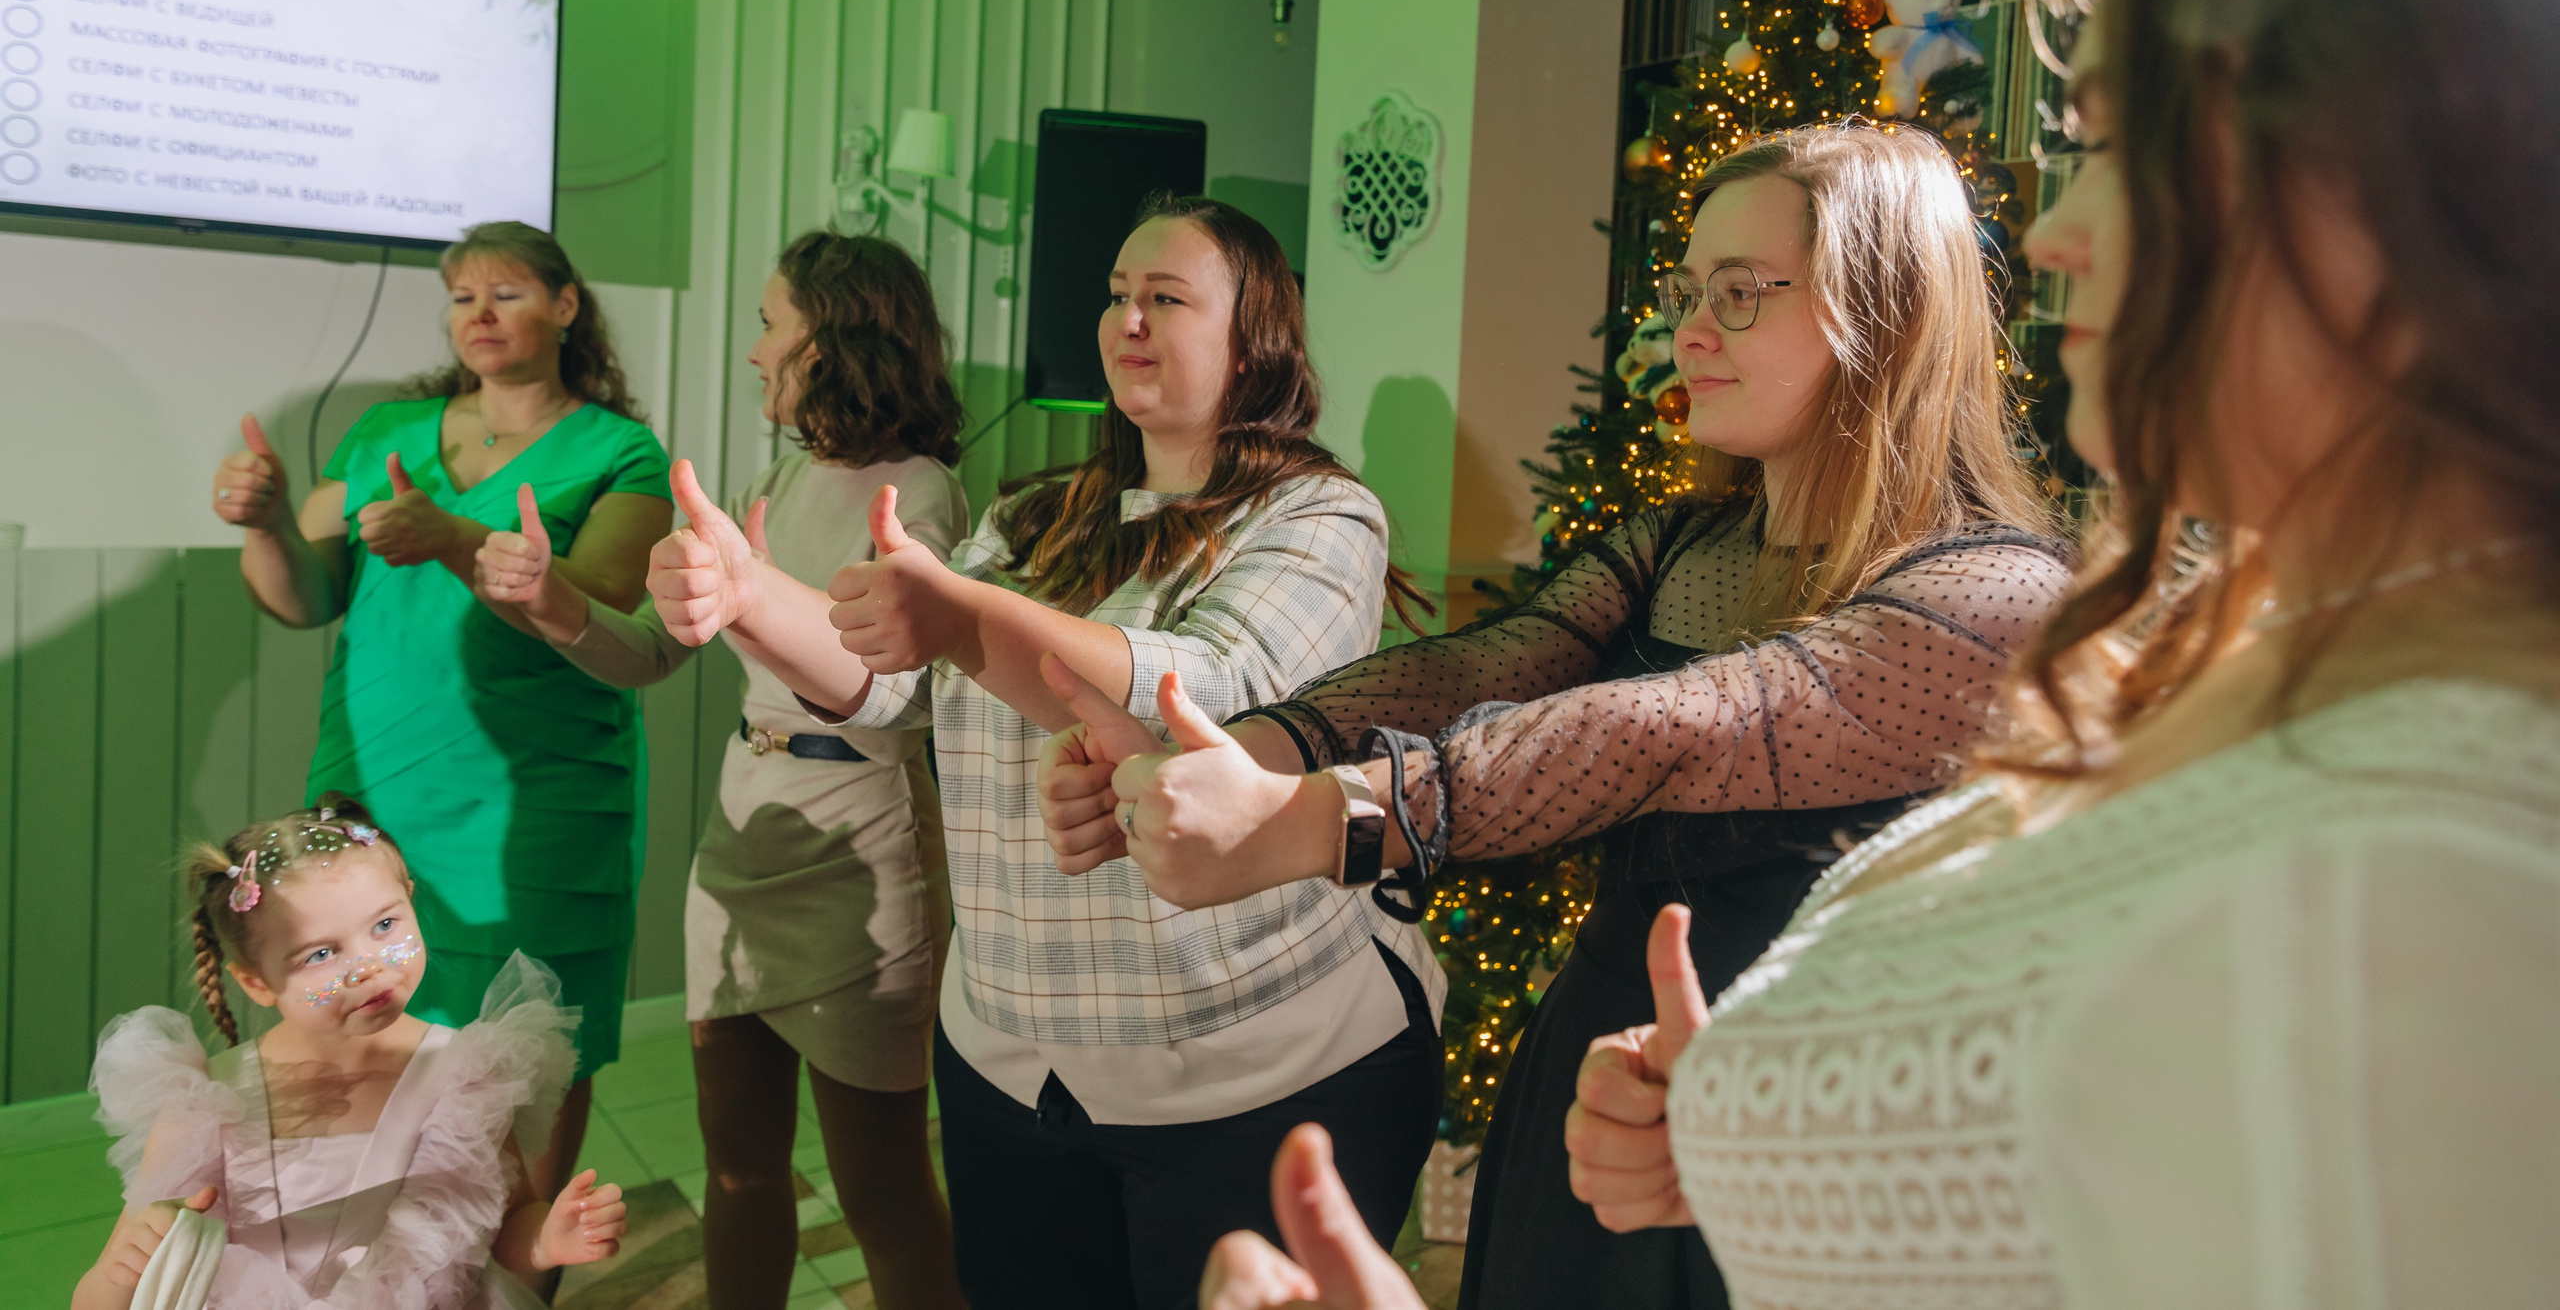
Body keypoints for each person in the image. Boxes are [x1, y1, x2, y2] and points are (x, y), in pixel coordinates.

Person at [1566, 0, 2560, 1306]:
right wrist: (1747, 1143)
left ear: (2414, 188)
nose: (2055, 228)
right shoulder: (2278, 634)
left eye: (2117, 142)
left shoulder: (2438, 883)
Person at [1040, 122, 2075, 1310]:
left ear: (1883, 311)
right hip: (1596, 1080)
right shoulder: (1683, 542)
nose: (1690, 330)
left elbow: (1676, 726)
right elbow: (1501, 661)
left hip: (1806, 1119)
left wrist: (1312, 822)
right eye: (1688, 290)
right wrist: (1231, 754)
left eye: (1740, 295)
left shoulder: (1994, 589)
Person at [647, 195, 1440, 1310]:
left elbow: (1200, 692)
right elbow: (889, 690)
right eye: (1118, 296)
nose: (1127, 319)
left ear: (1254, 337)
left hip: (1249, 1078)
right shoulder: (1030, 517)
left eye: (1166, 298)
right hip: (1013, 1070)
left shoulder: (1317, 513)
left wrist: (968, 621)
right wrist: (747, 595)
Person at [474, 232, 971, 1310]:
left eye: (769, 324)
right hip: (739, 846)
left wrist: (750, 595)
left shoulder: (920, 493)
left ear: (835, 338)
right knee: (738, 1168)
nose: (755, 355)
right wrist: (548, 598)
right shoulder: (774, 479)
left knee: (879, 1189)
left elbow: (899, 692)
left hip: (857, 860)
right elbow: (650, 649)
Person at [210, 221, 673, 1207]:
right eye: (461, 297)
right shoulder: (387, 434)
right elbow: (299, 595)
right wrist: (262, 526)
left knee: (527, 1096)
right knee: (364, 1092)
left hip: (534, 816)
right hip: (372, 799)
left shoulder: (620, 452)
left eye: (505, 292)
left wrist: (456, 535)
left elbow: (593, 599)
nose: (480, 314)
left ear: (564, 306)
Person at [72, 799, 628, 1310]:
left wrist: (547, 1239)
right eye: (321, 953)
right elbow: (102, 1297)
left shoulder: (467, 1076)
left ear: (410, 894)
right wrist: (120, 1272)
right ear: (256, 982)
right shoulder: (207, 1106)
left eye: (385, 925)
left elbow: (507, 1224)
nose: (367, 965)